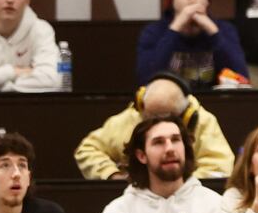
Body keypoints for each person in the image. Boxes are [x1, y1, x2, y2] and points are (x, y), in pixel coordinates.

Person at [93, 114, 222, 213]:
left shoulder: (216, 206)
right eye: (158, 142)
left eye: (175, 140)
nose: (170, 148)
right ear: (142, 156)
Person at [74, 74, 235, 181]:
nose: (154, 125)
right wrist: (112, 174)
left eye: (162, 118)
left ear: (184, 115)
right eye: (149, 117)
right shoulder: (133, 114)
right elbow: (87, 150)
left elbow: (218, 168)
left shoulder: (203, 122)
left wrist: (181, 186)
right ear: (141, 104)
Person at [134, 0, 248, 91]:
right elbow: (146, 80)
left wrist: (213, 31)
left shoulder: (224, 29)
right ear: (171, 2)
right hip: (170, 106)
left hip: (214, 105)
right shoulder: (154, 32)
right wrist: (176, 27)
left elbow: (241, 79)